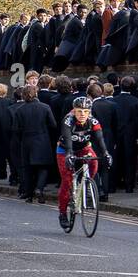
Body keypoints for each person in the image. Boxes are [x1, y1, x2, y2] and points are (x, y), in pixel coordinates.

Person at [54, 96, 112, 231]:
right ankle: (62, 213)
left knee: (94, 163)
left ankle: (86, 184)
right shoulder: (68, 120)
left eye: (86, 111)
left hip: (83, 148)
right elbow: (67, 139)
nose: (82, 115)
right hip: (64, 149)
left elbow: (99, 138)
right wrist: (69, 154)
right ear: (74, 110)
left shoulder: (93, 121)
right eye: (79, 111)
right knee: (67, 180)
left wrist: (106, 153)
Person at [13, 85, 57, 203]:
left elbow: (16, 130)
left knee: (28, 169)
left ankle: (30, 194)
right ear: (36, 93)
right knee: (43, 167)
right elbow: (53, 124)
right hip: (42, 140)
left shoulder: (19, 110)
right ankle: (39, 189)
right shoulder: (45, 107)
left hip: (26, 141)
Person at [112, 75, 138, 193]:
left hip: (116, 135)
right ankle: (129, 186)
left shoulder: (113, 100)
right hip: (131, 135)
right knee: (130, 161)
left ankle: (113, 185)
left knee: (116, 159)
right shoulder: (137, 102)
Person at [89, 81, 122, 201]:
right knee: (105, 167)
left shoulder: (91, 106)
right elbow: (116, 124)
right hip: (109, 137)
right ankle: (106, 193)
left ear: (90, 95)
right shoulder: (112, 104)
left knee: (94, 165)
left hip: (94, 138)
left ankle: (98, 191)